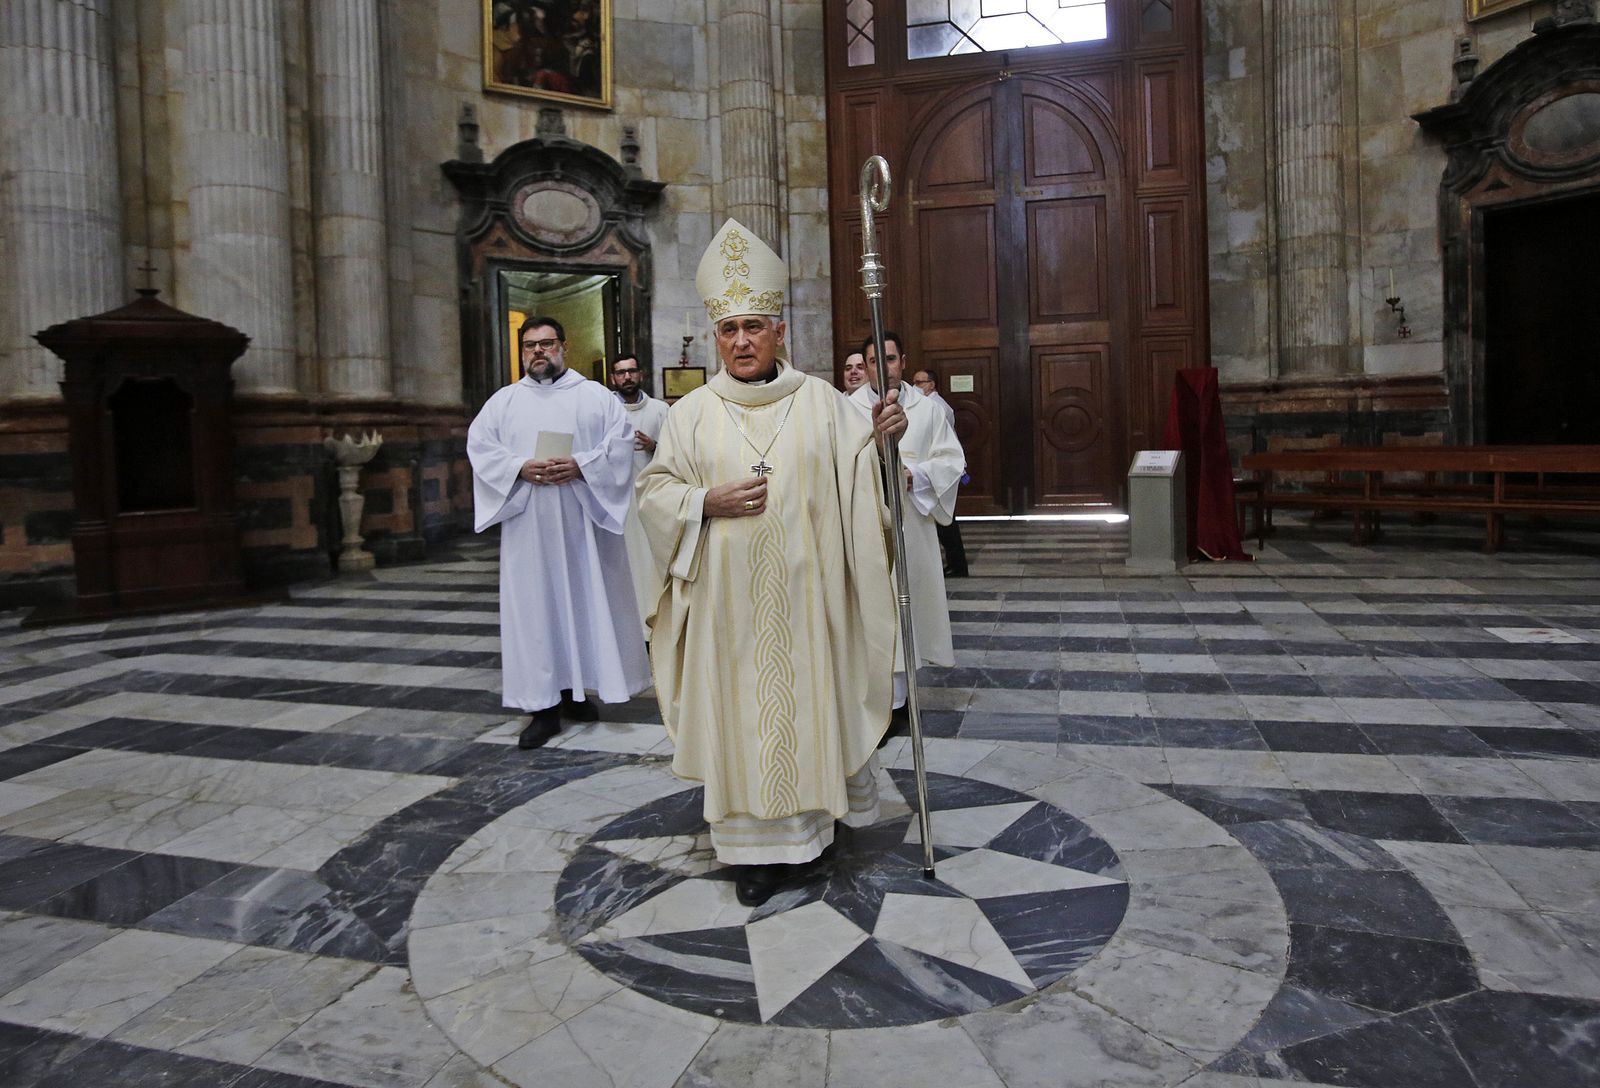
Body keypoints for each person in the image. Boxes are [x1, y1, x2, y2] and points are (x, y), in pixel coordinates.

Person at [637, 218, 907, 907]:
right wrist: (704, 500)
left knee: (805, 709)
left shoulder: (824, 406)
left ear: (780, 332)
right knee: (743, 721)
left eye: (754, 326)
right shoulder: (691, 413)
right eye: (729, 330)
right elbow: (655, 494)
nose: (741, 341)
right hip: (728, 616)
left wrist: (882, 445)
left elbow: (869, 500)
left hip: (806, 611)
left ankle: (813, 833)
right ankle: (751, 853)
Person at [467, 316, 650, 750]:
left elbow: (620, 443)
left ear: (564, 347)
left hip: (583, 523)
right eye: (530, 345)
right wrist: (518, 467)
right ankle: (543, 707)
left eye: (546, 343)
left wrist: (581, 465)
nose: (538, 352)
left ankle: (577, 692)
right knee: (536, 611)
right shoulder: (503, 403)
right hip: (528, 526)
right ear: (522, 350)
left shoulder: (595, 397)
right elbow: (480, 447)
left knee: (584, 602)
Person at [854, 333, 964, 738]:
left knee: (905, 612)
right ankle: (878, 700)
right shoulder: (845, 411)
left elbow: (952, 461)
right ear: (863, 367)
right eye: (872, 360)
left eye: (890, 358)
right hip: (863, 528)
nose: (882, 367)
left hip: (911, 528)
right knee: (871, 612)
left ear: (903, 360)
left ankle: (899, 702)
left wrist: (914, 474)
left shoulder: (928, 411)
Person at [609, 354, 670, 631]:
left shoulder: (660, 410)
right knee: (624, 563)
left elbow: (677, 452)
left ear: (641, 375)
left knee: (650, 562)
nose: (627, 377)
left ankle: (655, 618)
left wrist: (653, 445)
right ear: (613, 378)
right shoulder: (605, 408)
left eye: (632, 371)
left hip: (652, 499)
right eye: (621, 373)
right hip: (618, 499)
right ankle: (625, 622)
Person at [911, 367, 969, 577]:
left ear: (931, 385)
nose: (915, 386)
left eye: (920, 382)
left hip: (938, 469)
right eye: (914, 382)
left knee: (946, 520)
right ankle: (953, 563)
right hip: (931, 470)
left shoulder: (935, 406)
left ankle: (957, 565)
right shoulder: (927, 404)